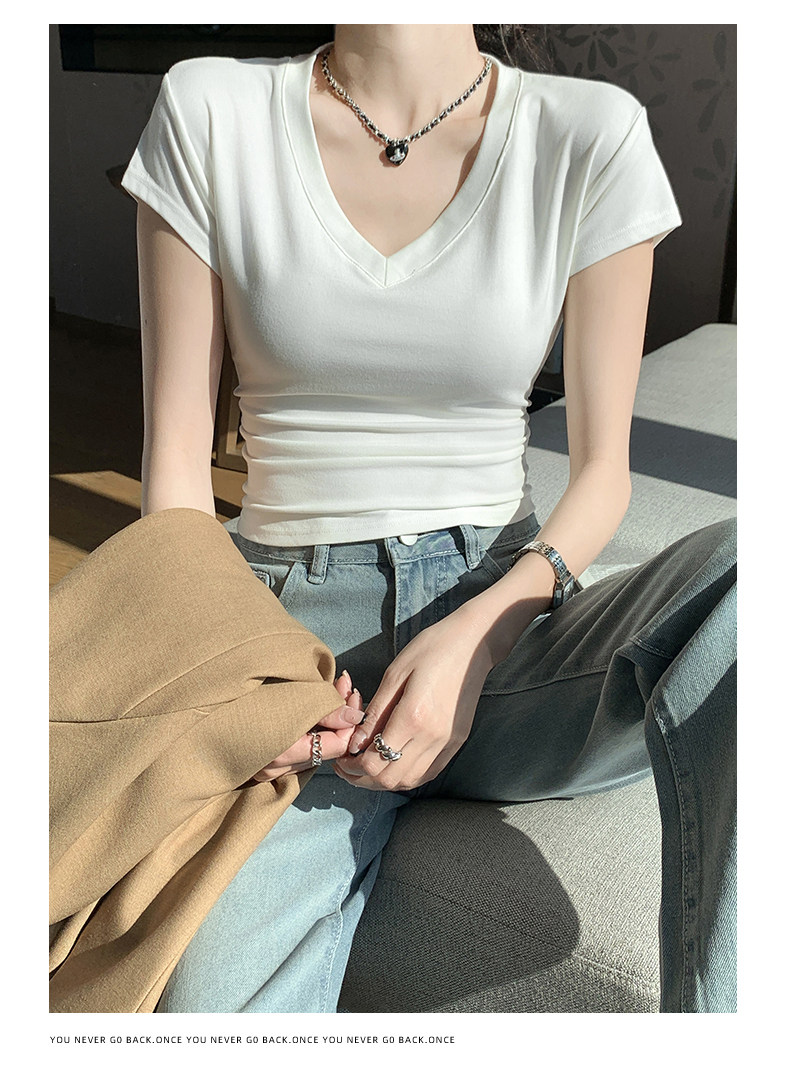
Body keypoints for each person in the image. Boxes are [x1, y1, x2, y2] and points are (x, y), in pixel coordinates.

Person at [120, 23, 736, 1013]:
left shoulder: (589, 132)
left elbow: (603, 476)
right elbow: (178, 466)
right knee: (213, 1016)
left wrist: (478, 638)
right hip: (300, 656)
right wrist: (237, 678)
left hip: (511, 629)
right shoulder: (210, 108)